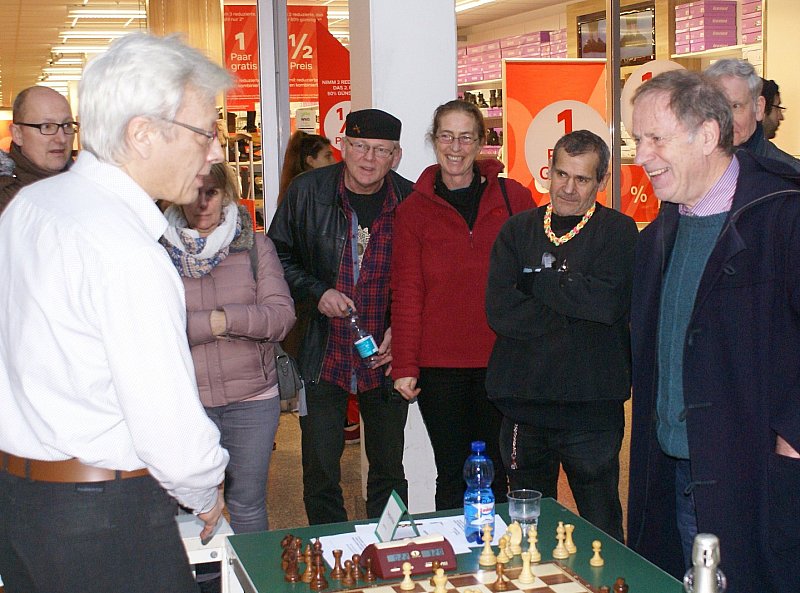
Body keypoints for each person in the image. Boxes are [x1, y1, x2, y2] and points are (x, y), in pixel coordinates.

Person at [0, 33, 232, 593]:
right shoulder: (125, 250)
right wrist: (205, 490)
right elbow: (166, 423)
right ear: (142, 133)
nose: (216, 154)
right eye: (205, 133)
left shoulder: (32, 206)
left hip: (21, 501)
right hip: (101, 519)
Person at [628, 68, 800, 593]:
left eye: (655, 138)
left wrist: (792, 444)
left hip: (756, 478)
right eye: (637, 140)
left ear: (706, 135)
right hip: (676, 469)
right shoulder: (661, 232)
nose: (641, 156)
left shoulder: (782, 215)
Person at [485, 130, 638, 543]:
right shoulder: (516, 231)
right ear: (548, 172)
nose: (569, 188)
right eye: (562, 174)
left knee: (601, 528)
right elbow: (500, 311)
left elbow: (608, 305)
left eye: (582, 179)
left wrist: (537, 282)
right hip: (524, 405)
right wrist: (576, 306)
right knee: (528, 530)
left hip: (592, 410)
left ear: (602, 181)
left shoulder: (620, 232)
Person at [268, 108, 413, 524]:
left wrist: (401, 330)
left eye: (381, 150)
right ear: (343, 147)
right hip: (322, 352)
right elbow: (276, 257)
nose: (369, 158)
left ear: (396, 156)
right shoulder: (306, 192)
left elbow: (423, 278)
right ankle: (331, 549)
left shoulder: (411, 201)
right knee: (320, 469)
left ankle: (388, 548)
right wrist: (317, 292)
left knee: (389, 468)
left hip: (385, 357)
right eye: (360, 146)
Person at [391, 99, 532, 511]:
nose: (456, 147)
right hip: (440, 368)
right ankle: (452, 549)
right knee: (453, 472)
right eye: (447, 137)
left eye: (466, 137)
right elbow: (408, 291)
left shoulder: (513, 198)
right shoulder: (412, 211)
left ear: (481, 142)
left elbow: (534, 280)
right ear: (434, 141)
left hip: (502, 359)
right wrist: (404, 365)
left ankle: (501, 549)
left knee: (500, 470)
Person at [160, 162, 295, 533]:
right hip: (186, 403)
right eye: (194, 193)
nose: (202, 204)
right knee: (189, 511)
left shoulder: (255, 246)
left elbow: (281, 317)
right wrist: (213, 324)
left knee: (247, 506)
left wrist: (226, 319)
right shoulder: (158, 252)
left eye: (212, 193)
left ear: (227, 195)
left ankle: (249, 571)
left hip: (252, 401)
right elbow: (152, 328)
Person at [704, 58, 800, 172]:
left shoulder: (790, 174)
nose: (726, 119)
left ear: (758, 108)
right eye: (716, 107)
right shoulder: (691, 166)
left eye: (736, 106)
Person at [0, 86, 76, 214]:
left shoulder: (90, 186)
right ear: (18, 134)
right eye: (47, 127)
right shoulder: (7, 203)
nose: (62, 138)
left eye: (67, 125)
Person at [278, 130, 336, 205]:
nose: (334, 161)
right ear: (310, 161)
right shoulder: (307, 194)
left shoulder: (297, 191)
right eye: (328, 156)